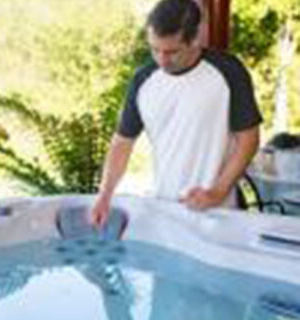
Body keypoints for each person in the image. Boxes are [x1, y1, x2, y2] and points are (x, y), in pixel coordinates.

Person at [91, 0, 262, 227]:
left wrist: (218, 192)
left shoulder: (229, 71)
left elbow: (249, 140)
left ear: (195, 39)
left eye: (172, 52)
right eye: (155, 49)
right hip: (165, 210)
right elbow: (123, 142)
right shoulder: (143, 80)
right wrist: (105, 196)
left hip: (221, 213)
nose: (162, 59)